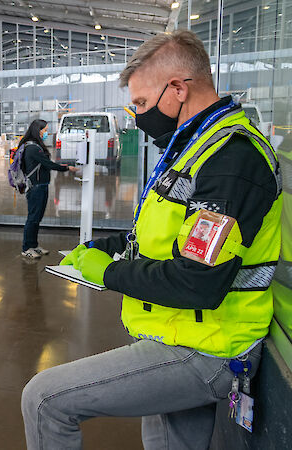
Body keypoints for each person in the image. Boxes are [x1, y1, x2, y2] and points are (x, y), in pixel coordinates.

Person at [21, 30, 281, 449]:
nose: (139, 116)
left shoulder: (233, 160)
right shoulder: (193, 149)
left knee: (45, 399)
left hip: (206, 349)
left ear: (178, 89)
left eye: (141, 103)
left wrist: (110, 272)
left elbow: (198, 280)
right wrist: (104, 248)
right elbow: (164, 235)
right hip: (177, 333)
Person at [19, 119, 78, 258]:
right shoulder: (32, 148)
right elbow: (48, 164)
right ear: (37, 130)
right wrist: (67, 168)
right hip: (36, 188)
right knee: (33, 218)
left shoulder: (36, 146)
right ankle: (26, 248)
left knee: (37, 218)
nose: (47, 133)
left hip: (41, 186)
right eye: (45, 130)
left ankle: (34, 245)